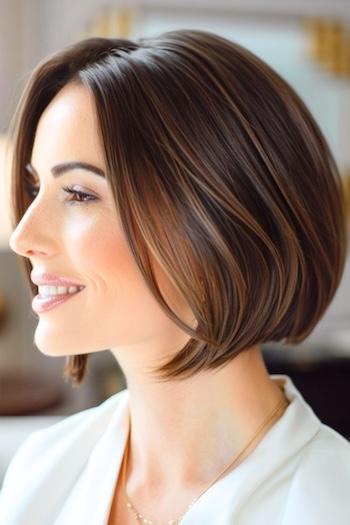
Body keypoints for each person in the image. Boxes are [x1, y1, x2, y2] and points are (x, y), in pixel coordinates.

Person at [0, 28, 349, 525]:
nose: (24, 236)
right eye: (35, 186)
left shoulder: (329, 504)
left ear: (217, 222)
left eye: (79, 193)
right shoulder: (44, 471)